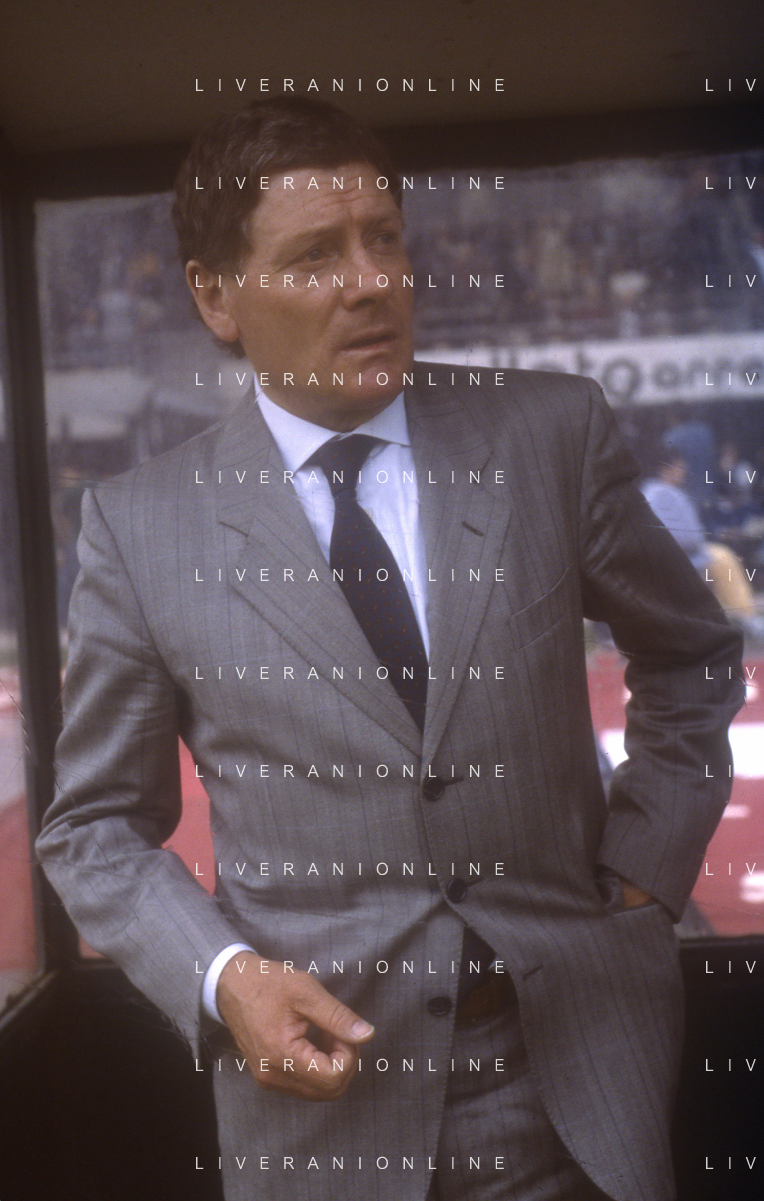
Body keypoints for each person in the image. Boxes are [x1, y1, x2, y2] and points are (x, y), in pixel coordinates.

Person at [36, 96, 744, 1201]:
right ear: (215, 296)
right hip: (324, 1112)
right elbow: (92, 829)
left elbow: (692, 653)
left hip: (579, 1072)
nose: (370, 281)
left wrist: (647, 866)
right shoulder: (141, 526)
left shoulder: (550, 434)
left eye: (383, 238)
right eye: (315, 256)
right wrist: (224, 978)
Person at [641, 448, 764, 642]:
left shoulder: (659, 491)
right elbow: (667, 536)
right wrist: (697, 539)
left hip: (681, 555)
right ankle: (748, 617)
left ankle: (744, 616)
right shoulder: (660, 494)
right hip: (678, 558)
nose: (683, 470)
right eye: (679, 466)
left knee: (722, 555)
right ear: (665, 469)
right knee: (722, 558)